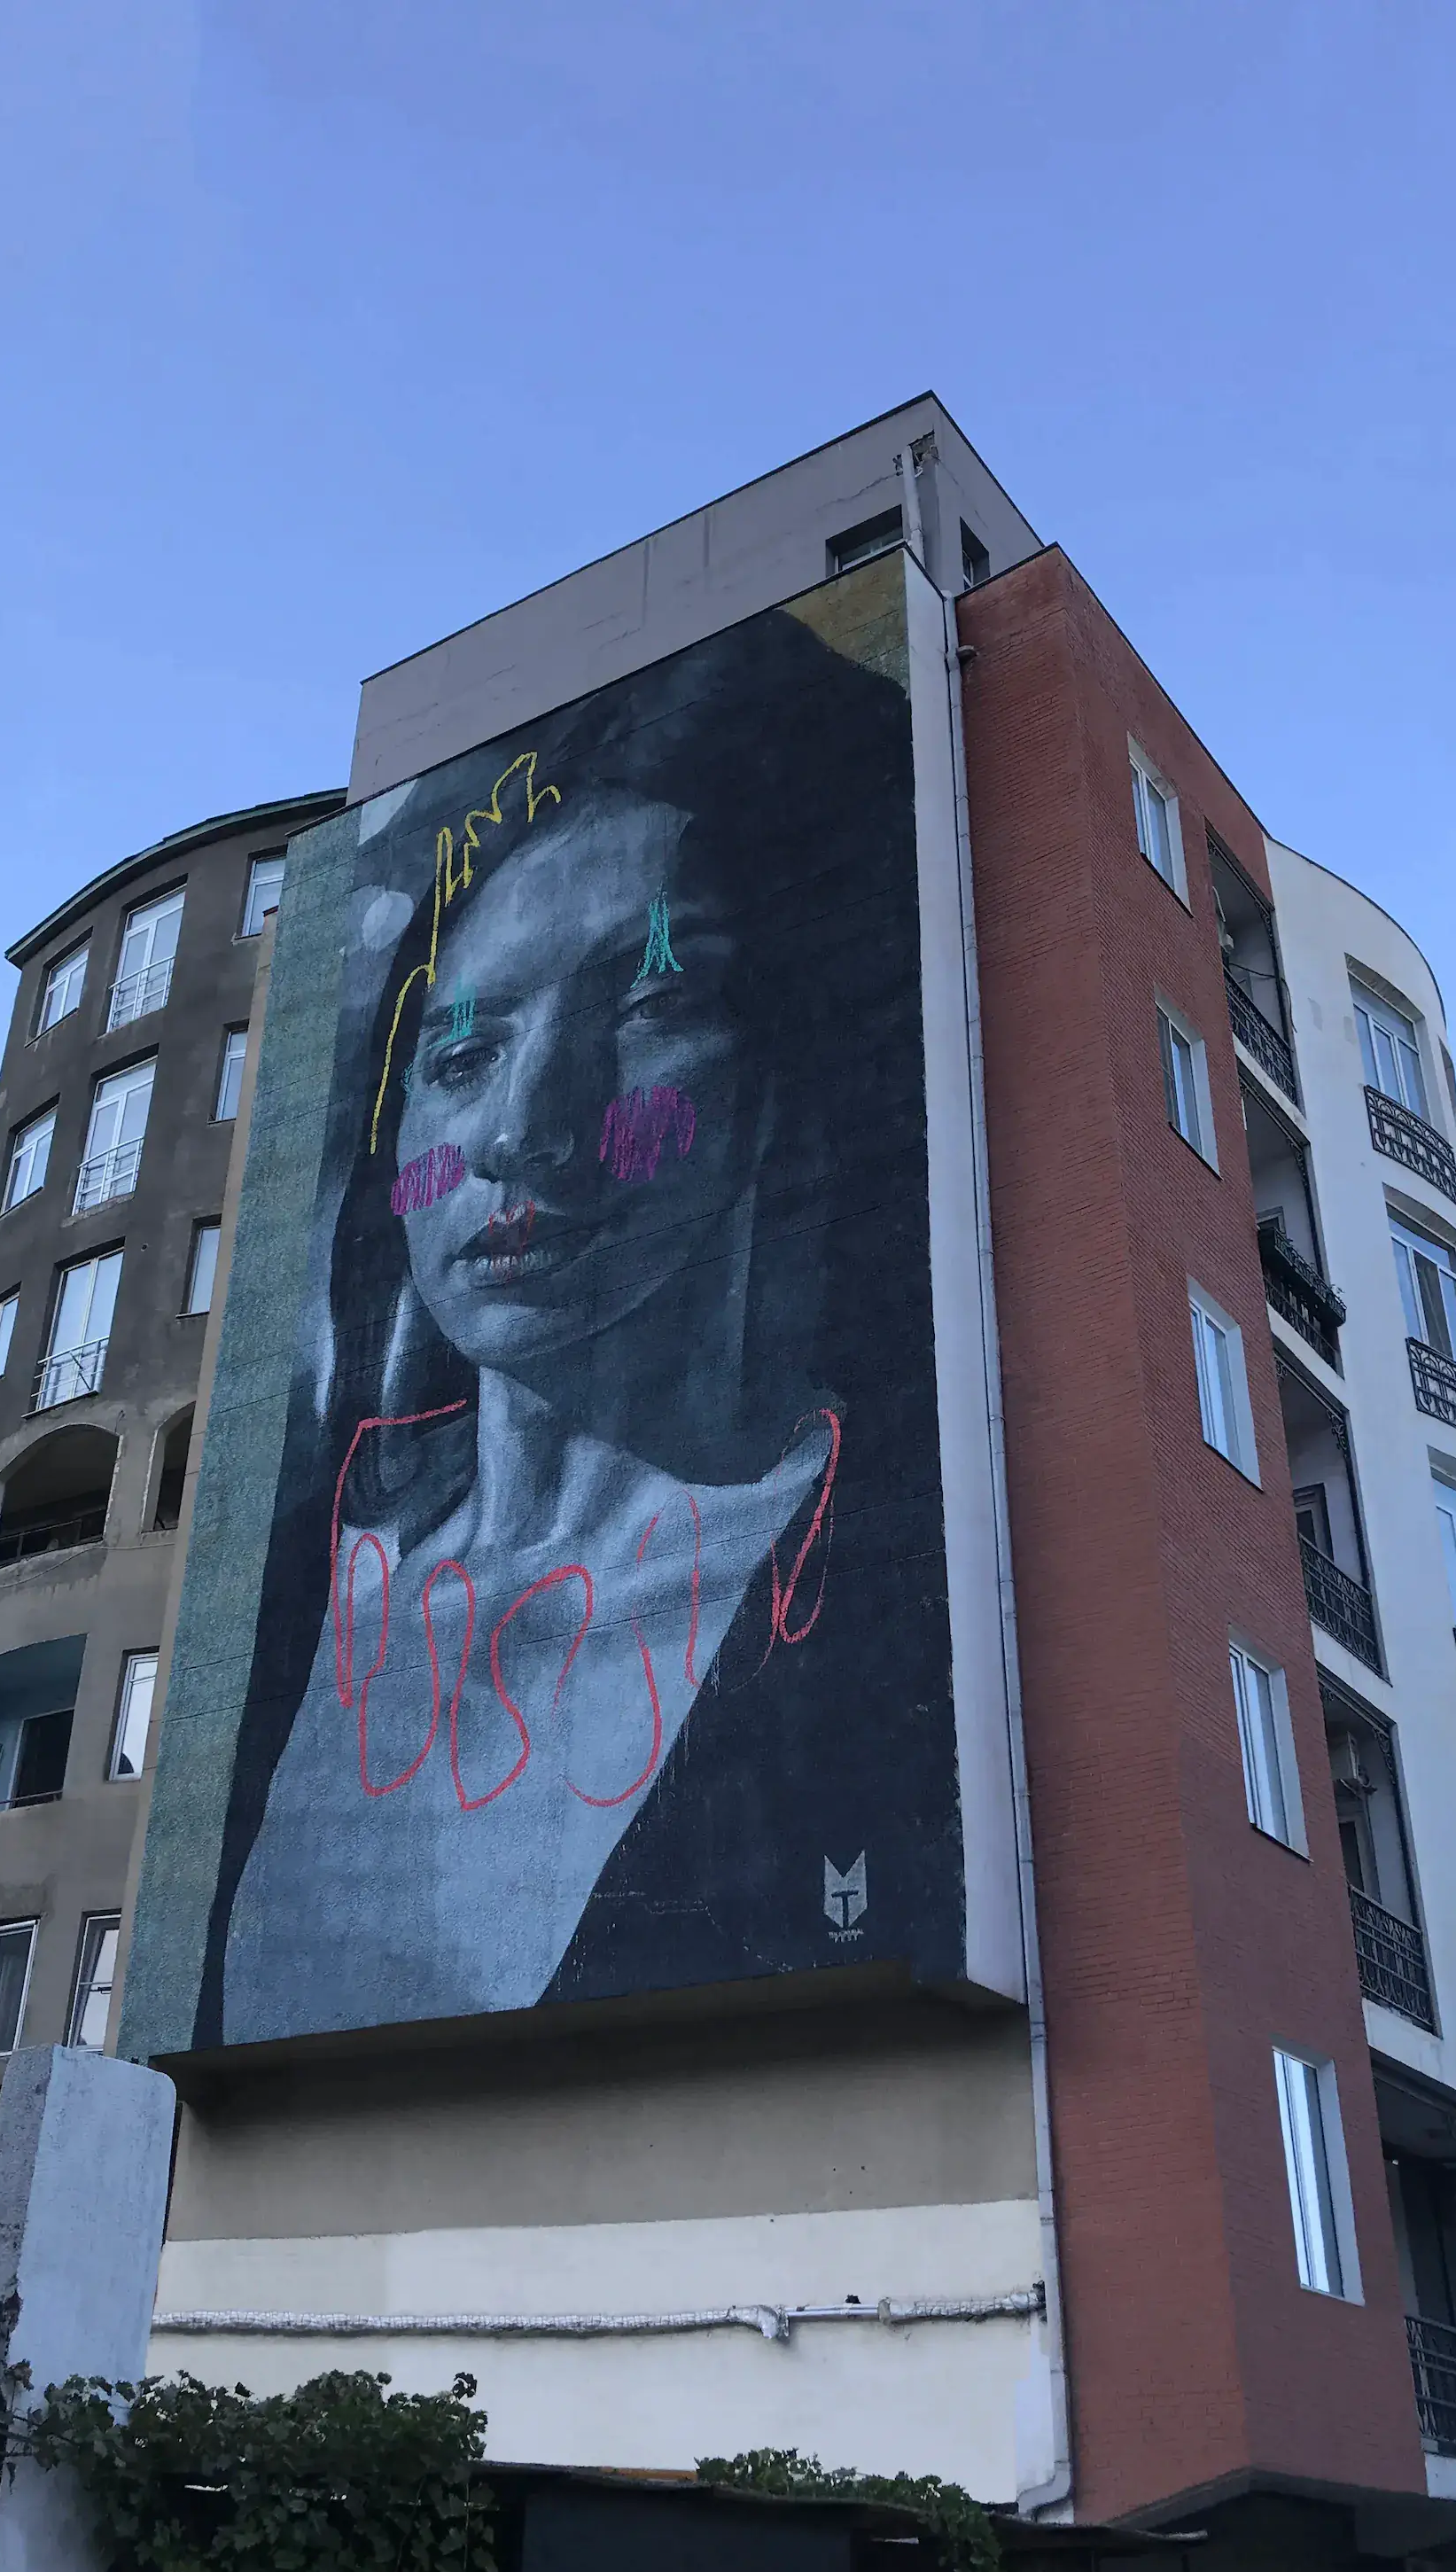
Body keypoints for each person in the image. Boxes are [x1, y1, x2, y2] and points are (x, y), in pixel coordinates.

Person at [212, 596, 963, 2043]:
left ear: (791, 1075)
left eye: (651, 1003)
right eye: (464, 1052)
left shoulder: (888, 1586)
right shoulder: (297, 1586)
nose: (526, 1130)